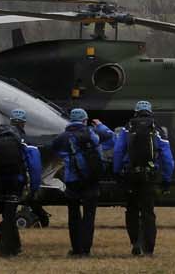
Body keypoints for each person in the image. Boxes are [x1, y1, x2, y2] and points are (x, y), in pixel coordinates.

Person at [112, 100, 175, 257]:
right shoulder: (157, 129)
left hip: (130, 175)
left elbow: (118, 151)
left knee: (132, 210)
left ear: (136, 112)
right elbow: (168, 158)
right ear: (150, 111)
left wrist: (117, 171)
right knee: (148, 212)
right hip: (149, 176)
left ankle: (135, 243)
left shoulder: (127, 128)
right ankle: (149, 248)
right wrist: (166, 179)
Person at [0, 108, 44, 258]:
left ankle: (16, 246)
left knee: (6, 215)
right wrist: (34, 187)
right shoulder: (24, 140)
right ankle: (5, 250)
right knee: (9, 217)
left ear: (11, 121)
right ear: (23, 123)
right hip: (16, 182)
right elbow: (34, 165)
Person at [51, 107, 113, 256]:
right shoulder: (93, 133)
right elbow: (111, 138)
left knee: (73, 215)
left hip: (72, 180)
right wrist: (100, 125)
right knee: (89, 215)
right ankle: (86, 249)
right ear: (85, 120)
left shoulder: (62, 137)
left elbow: (54, 150)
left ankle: (76, 248)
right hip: (91, 179)